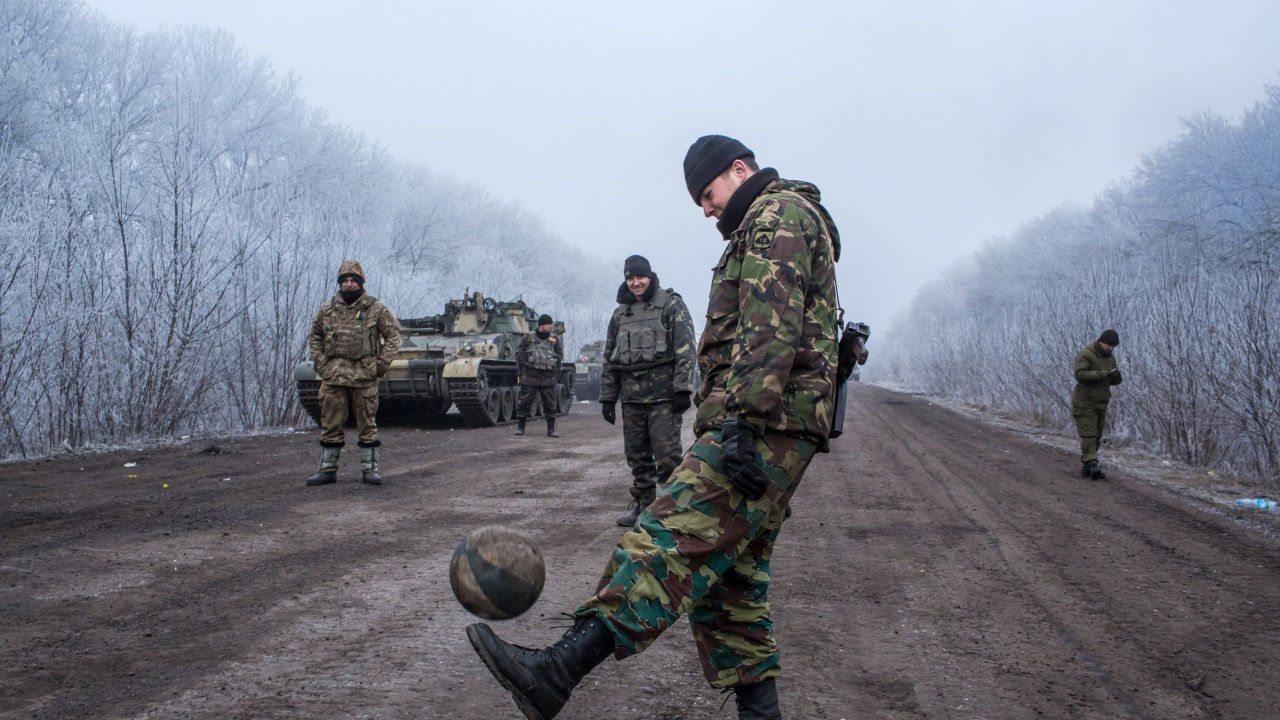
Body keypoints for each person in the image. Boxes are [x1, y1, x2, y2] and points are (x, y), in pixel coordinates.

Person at [466, 134, 842, 720]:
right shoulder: (769, 222)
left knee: (664, 536)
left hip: (764, 423)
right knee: (729, 585)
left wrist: (741, 421)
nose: (706, 208)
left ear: (738, 170)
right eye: (699, 200)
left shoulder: (777, 215)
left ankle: (555, 673)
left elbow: (770, 327)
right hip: (775, 423)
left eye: (708, 192)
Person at [600, 254, 697, 526]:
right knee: (637, 456)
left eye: (640, 277)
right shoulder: (620, 314)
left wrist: (682, 389)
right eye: (630, 278)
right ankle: (643, 505)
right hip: (631, 398)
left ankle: (668, 510)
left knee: (667, 456)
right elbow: (609, 357)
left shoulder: (671, 304)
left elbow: (686, 349)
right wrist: (608, 397)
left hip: (663, 397)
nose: (635, 282)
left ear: (650, 276)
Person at [305, 260, 400, 486]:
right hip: (334, 376)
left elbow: (394, 336)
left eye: (353, 281)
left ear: (360, 283)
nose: (349, 284)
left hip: (363, 376)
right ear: (340, 283)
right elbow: (315, 337)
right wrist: (321, 363)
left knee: (367, 424)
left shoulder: (375, 309)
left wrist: (380, 365)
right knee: (330, 424)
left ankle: (370, 469)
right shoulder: (327, 310)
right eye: (345, 280)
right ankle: (327, 470)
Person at [1072, 328, 1122, 479]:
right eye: (1109, 345)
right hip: (1084, 402)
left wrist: (1116, 376)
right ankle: (1093, 464)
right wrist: (1102, 374)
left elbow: (1113, 381)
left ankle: (1087, 466)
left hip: (1101, 402)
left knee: (1097, 436)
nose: (1111, 348)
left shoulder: (1110, 358)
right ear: (1101, 341)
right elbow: (1079, 374)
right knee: (1089, 435)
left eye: (1113, 347)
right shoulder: (1086, 354)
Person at [514, 314, 564, 438]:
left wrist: (553, 361)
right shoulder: (529, 337)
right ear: (542, 325)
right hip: (530, 376)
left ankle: (551, 429)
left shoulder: (553, 338)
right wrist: (529, 358)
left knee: (549, 404)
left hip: (547, 377)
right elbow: (518, 352)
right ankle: (520, 427)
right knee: (524, 403)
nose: (551, 326)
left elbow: (559, 353)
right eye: (549, 324)